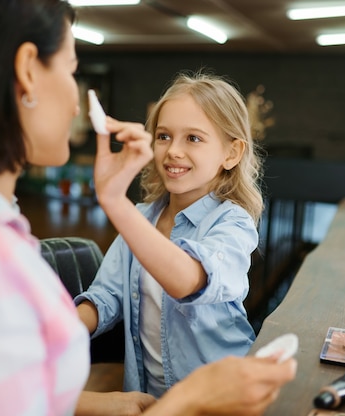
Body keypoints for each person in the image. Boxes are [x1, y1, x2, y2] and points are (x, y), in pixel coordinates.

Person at [0, 0, 295, 415]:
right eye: (72, 69)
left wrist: (91, 404)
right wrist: (192, 401)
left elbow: (5, 383)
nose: (79, 99)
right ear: (27, 73)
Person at [75, 71, 263, 397]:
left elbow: (188, 280)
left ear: (231, 154)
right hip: (152, 397)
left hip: (220, 398)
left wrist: (115, 202)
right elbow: (105, 298)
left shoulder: (233, 222)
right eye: (163, 136)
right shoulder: (142, 218)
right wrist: (53, 331)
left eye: (193, 138)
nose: (173, 151)